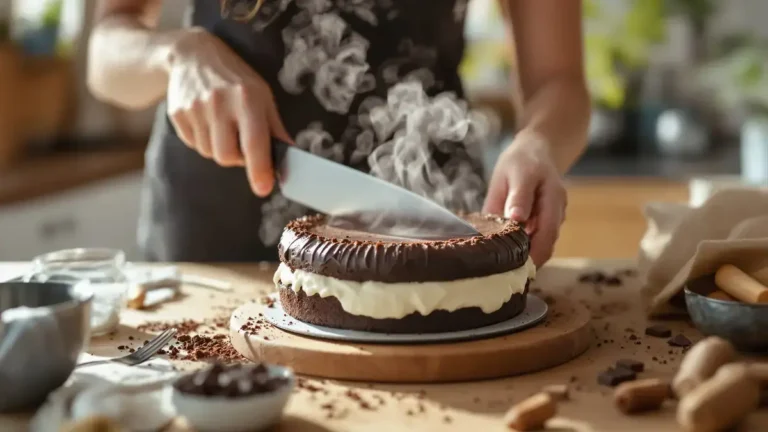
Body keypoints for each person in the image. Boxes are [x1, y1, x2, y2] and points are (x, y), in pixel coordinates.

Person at [88, 0, 589, 266]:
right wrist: (178, 55)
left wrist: (538, 141)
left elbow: (559, 83)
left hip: (427, 237)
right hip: (215, 253)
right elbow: (107, 51)